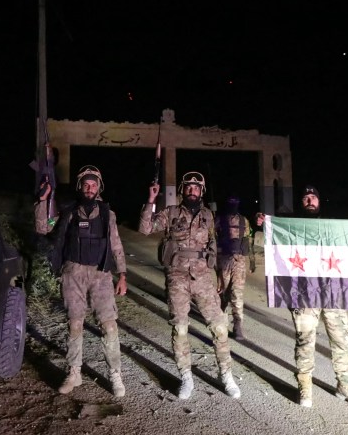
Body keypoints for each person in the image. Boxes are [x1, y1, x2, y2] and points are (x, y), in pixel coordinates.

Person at [256, 185, 348, 409]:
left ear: (319, 201)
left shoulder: (332, 225)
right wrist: (265, 223)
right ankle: (305, 385)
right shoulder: (294, 227)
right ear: (302, 202)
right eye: (306, 197)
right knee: (305, 340)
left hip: (333, 293)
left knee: (341, 340)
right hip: (305, 294)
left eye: (313, 197)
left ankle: (345, 385)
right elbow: (275, 235)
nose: (309, 200)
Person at [139, 171, 241, 400]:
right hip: (177, 277)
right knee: (180, 328)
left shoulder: (208, 216)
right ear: (183, 190)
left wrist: (219, 277)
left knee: (219, 326)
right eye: (188, 187)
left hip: (203, 278)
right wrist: (151, 200)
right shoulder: (171, 213)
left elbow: (214, 245)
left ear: (201, 192)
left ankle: (226, 375)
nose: (192, 190)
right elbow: (145, 228)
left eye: (196, 187)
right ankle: (186, 376)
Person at [36, 165, 128, 398]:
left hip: (101, 275)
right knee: (75, 323)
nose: (89, 188)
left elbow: (116, 244)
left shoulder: (108, 213)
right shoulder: (68, 211)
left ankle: (115, 373)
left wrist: (123, 275)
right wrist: (43, 201)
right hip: (73, 272)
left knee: (108, 324)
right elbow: (42, 227)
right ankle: (74, 372)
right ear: (80, 187)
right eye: (86, 185)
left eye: (93, 184)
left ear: (99, 188)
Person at [214, 195, 254, 340]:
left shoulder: (244, 220)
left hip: (239, 261)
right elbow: (212, 240)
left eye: (235, 203)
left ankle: (237, 325)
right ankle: (220, 322)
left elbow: (248, 241)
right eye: (230, 202)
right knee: (223, 293)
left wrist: (252, 260)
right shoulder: (219, 220)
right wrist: (214, 262)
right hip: (223, 260)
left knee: (237, 294)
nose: (233, 205)